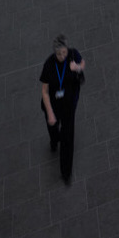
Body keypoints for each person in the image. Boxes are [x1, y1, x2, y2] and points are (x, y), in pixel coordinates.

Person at [40, 34, 85, 183]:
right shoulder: (49, 65)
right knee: (53, 128)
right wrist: (50, 114)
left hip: (68, 105)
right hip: (53, 105)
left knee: (67, 137)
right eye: (59, 54)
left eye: (64, 52)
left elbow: (83, 63)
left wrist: (76, 67)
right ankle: (54, 140)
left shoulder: (73, 54)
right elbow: (45, 92)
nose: (62, 56)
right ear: (54, 53)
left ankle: (66, 172)